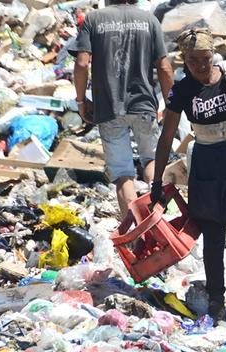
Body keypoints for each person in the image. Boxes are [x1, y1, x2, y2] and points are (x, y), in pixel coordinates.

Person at [151, 29, 226, 321]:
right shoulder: (182, 89)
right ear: (183, 60)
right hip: (206, 167)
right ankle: (216, 297)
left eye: (205, 59)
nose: (200, 66)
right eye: (192, 60)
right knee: (212, 234)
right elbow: (167, 136)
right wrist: (156, 180)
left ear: (213, 55)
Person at [70, 0, 174, 218]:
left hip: (109, 108)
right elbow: (164, 66)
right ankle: (162, 221)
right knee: (152, 160)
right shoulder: (149, 20)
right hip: (144, 105)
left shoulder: (93, 19)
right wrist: (172, 104)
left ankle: (137, 236)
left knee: (123, 174)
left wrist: (81, 101)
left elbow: (81, 64)